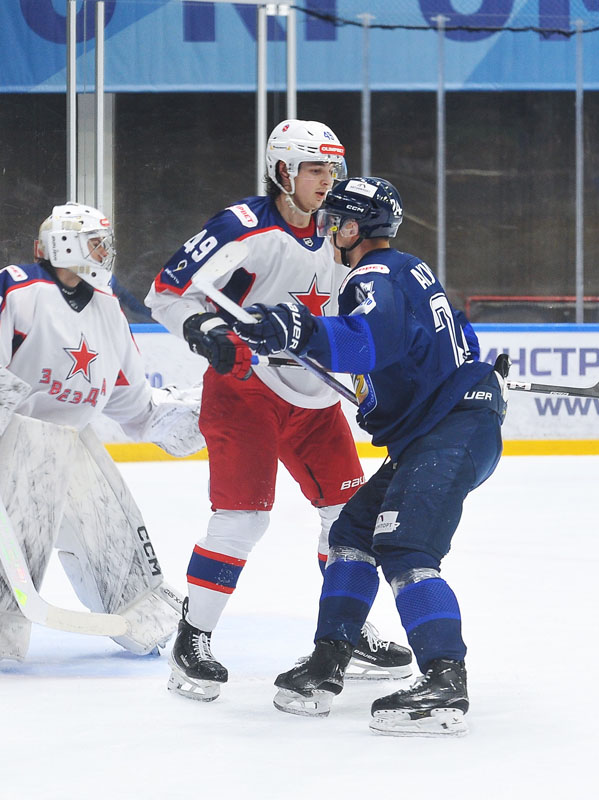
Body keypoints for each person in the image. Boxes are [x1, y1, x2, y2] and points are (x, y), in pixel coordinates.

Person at [144, 120, 413, 702]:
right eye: (315, 169)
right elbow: (165, 291)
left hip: (315, 394)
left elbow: (360, 316)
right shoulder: (243, 227)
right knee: (243, 519)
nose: (327, 180)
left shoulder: (343, 230)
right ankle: (192, 638)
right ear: (283, 171)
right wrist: (204, 329)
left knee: (348, 518)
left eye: (332, 169)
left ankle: (347, 632)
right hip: (246, 387)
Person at [231, 177, 507, 736]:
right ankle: (329, 660)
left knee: (406, 548)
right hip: (443, 431)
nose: (328, 228)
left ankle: (445, 680)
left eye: (335, 220)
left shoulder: (370, 275)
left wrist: (300, 330)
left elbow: (366, 342)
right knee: (352, 533)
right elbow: (457, 340)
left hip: (449, 433)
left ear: (353, 227)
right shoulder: (410, 268)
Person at [0, 202, 204, 667]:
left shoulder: (108, 308)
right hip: (14, 438)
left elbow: (130, 400)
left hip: (71, 437)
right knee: (25, 534)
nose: (105, 252)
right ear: (63, 245)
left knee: (109, 520)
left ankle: (141, 616)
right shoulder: (19, 287)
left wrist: (191, 418)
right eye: (95, 243)